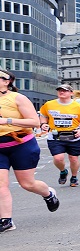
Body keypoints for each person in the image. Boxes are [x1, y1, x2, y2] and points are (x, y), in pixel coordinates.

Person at [0, 68, 59, 230]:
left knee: (27, 184)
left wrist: (7, 121)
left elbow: (34, 122)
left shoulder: (18, 98)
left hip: (21, 145)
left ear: (7, 82)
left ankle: (48, 193)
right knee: (1, 184)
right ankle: (6, 220)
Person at [39, 84, 80, 187]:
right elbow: (43, 116)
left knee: (73, 158)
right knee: (58, 158)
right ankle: (63, 171)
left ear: (71, 93)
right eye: (59, 90)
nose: (61, 92)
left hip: (74, 136)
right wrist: (43, 124)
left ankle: (74, 177)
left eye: (65, 91)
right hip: (55, 136)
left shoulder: (78, 106)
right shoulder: (49, 104)